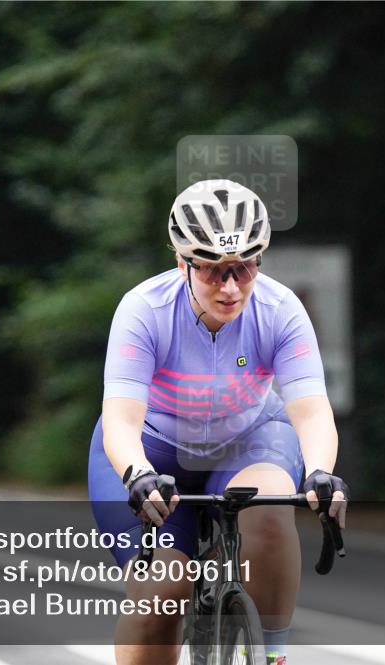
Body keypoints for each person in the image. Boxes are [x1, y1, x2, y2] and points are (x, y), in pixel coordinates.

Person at [88, 179, 349, 665]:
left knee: (270, 510)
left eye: (245, 266)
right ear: (182, 262)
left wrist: (319, 471)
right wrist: (137, 475)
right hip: (152, 450)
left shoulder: (280, 309)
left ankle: (272, 657)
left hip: (249, 442)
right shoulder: (144, 310)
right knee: (161, 597)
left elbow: (310, 410)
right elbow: (120, 420)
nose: (231, 286)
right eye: (213, 269)